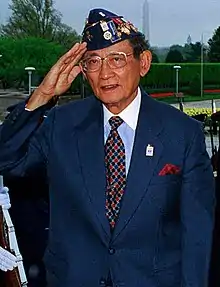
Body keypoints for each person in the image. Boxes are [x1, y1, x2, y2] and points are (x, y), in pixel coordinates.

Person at [0, 7, 215, 287]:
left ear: (144, 62)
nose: (105, 73)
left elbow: (197, 231)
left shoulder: (182, 133)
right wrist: (42, 95)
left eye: (117, 59)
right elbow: (7, 160)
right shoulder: (61, 125)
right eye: (93, 62)